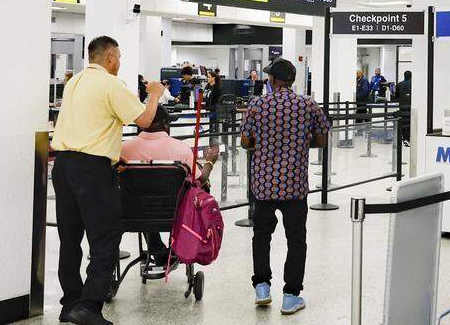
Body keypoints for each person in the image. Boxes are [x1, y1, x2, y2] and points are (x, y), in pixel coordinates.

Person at [51, 36, 163, 325]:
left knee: (70, 238)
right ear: (111, 57)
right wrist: (154, 94)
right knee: (105, 237)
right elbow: (145, 120)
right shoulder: (111, 84)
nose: (120, 62)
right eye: (120, 57)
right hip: (92, 170)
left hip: (63, 166)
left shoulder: (74, 82)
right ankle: (89, 305)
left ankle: (71, 303)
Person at [241, 58, 330, 315]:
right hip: (294, 186)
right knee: (296, 240)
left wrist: (264, 143)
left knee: (261, 236)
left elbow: (246, 141)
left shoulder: (258, 104)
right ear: (291, 81)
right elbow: (323, 138)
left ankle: (262, 288)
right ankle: (291, 296)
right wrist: (301, 142)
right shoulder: (307, 104)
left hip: (264, 185)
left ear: (272, 80)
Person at [120, 105, 219, 275]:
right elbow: (199, 180)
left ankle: (158, 251)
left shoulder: (124, 149)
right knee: (164, 199)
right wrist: (210, 161)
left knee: (145, 200)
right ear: (165, 124)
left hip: (133, 214)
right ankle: (170, 250)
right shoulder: (181, 149)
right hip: (176, 213)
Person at [394, 71, 411, 144]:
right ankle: (408, 137)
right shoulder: (414, 84)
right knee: (410, 122)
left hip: (402, 106)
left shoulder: (399, 84)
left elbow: (396, 96)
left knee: (403, 121)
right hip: (411, 106)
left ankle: (404, 137)